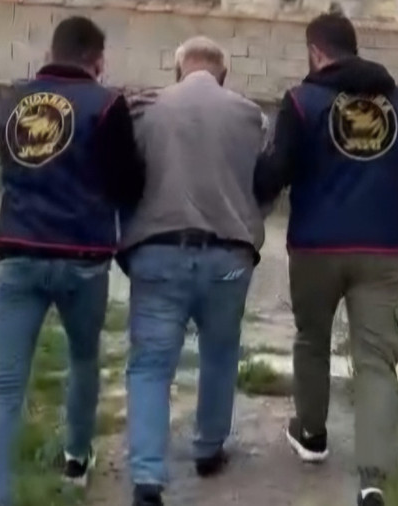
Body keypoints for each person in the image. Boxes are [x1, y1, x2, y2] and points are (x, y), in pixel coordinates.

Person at [255, 13, 398, 506]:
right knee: (376, 359)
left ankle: (312, 434)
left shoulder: (302, 101)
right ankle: (373, 478)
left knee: (312, 339)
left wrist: (254, 189)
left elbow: (276, 170)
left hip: (315, 246)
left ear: (316, 52)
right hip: (382, 250)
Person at [0, 16, 144, 506]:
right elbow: (127, 183)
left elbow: (6, 161)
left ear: (50, 53)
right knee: (84, 358)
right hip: (83, 256)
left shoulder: (11, 100)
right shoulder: (107, 104)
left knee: (5, 386)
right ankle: (76, 458)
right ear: (98, 60)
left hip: (18, 250)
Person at [118, 36, 266, 506]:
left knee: (150, 364)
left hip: (159, 250)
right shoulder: (250, 116)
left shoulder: (147, 111)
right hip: (229, 254)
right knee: (220, 353)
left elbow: (127, 176)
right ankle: (208, 448)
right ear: (224, 73)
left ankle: (147, 477)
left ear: (177, 68)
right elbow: (263, 184)